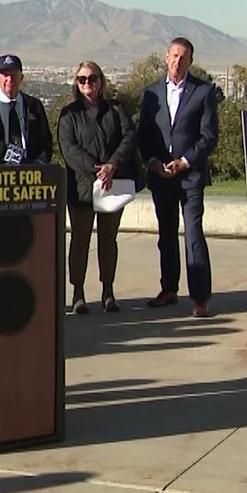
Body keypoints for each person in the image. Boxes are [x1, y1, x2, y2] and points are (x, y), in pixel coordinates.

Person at [138, 37, 221, 318]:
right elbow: (144, 135)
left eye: (183, 57)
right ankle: (169, 289)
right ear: (166, 57)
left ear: (191, 61)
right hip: (161, 176)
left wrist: (185, 162)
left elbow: (209, 136)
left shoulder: (203, 91)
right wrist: (154, 162)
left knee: (193, 235)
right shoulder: (151, 93)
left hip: (191, 175)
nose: (178, 61)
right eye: (174, 56)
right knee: (166, 234)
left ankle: (200, 297)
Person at [57, 61, 137, 313]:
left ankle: (108, 291)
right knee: (80, 240)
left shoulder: (116, 109)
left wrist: (112, 165)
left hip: (113, 183)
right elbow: (68, 148)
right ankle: (78, 292)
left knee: (108, 239)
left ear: (101, 81)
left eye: (92, 78)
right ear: (76, 83)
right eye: (82, 79)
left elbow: (129, 137)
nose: (87, 83)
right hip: (81, 188)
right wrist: (96, 169)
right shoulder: (69, 114)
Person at [0, 53, 52, 165]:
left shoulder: (34, 107)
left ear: (21, 77)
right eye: (5, 74)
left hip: (31, 175)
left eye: (14, 74)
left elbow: (45, 143)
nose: (10, 79)